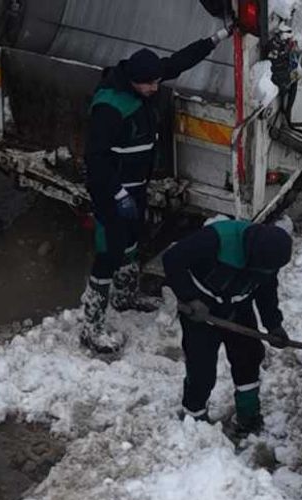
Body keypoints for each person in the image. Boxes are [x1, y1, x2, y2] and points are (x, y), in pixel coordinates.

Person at [80, 25, 234, 353]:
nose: (155, 87)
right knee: (109, 252)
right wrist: (117, 194)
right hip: (111, 193)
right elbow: (95, 160)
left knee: (133, 241)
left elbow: (178, 62)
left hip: (135, 188)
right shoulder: (110, 107)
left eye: (156, 81)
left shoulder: (146, 76)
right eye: (149, 83)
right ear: (134, 80)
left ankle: (125, 297)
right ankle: (91, 326)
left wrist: (217, 37)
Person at [162, 220, 293, 436]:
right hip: (202, 311)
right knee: (201, 368)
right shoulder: (218, 238)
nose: (265, 272)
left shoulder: (268, 259)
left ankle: (248, 416)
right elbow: (172, 259)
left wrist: (273, 324)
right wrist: (190, 297)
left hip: (238, 307)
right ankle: (194, 421)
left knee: (249, 358)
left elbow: (266, 290)